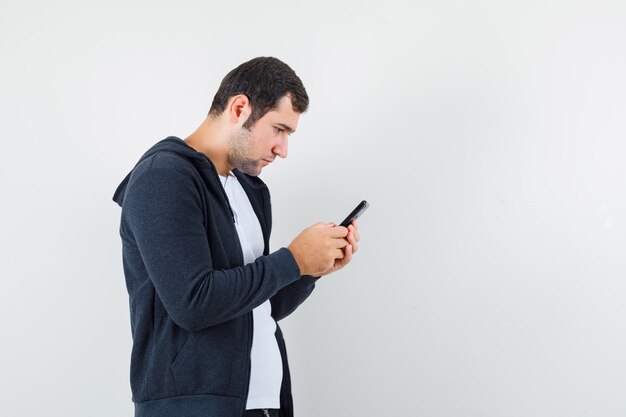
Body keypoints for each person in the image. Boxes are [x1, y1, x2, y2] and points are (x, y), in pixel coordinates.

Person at [112, 57, 360, 417]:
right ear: (240, 108)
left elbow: (260, 306)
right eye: (279, 129)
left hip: (261, 404)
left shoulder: (250, 189)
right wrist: (293, 259)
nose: (283, 149)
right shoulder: (164, 177)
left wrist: (311, 270)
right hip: (191, 407)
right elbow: (193, 303)